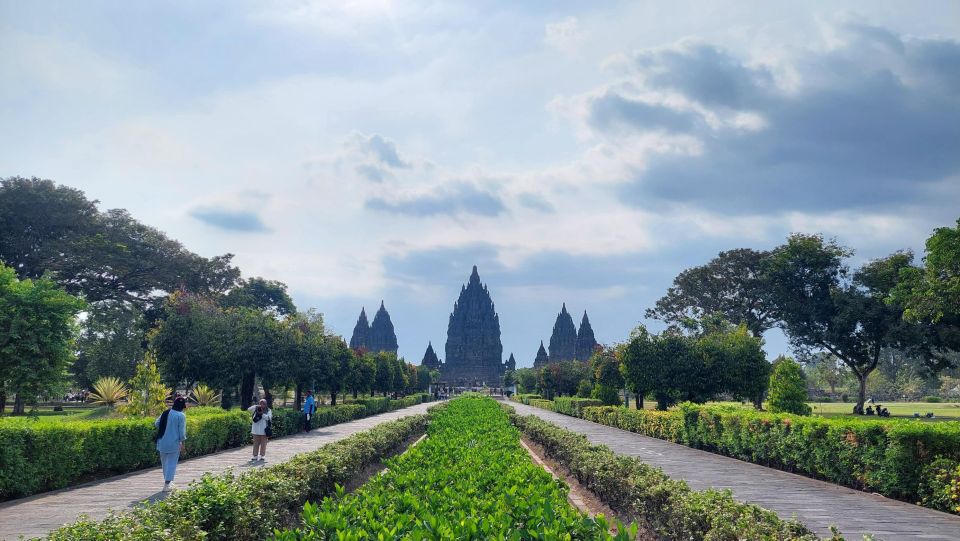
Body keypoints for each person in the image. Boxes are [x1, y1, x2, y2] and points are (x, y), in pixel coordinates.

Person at [155, 396, 187, 491]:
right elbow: (182, 432)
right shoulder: (181, 416)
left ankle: (168, 483)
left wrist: (166, 429)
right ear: (182, 406)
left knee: (164, 463)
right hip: (174, 443)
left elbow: (156, 423)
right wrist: (183, 444)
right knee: (172, 463)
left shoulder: (165, 413)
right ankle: (167, 484)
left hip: (162, 442)